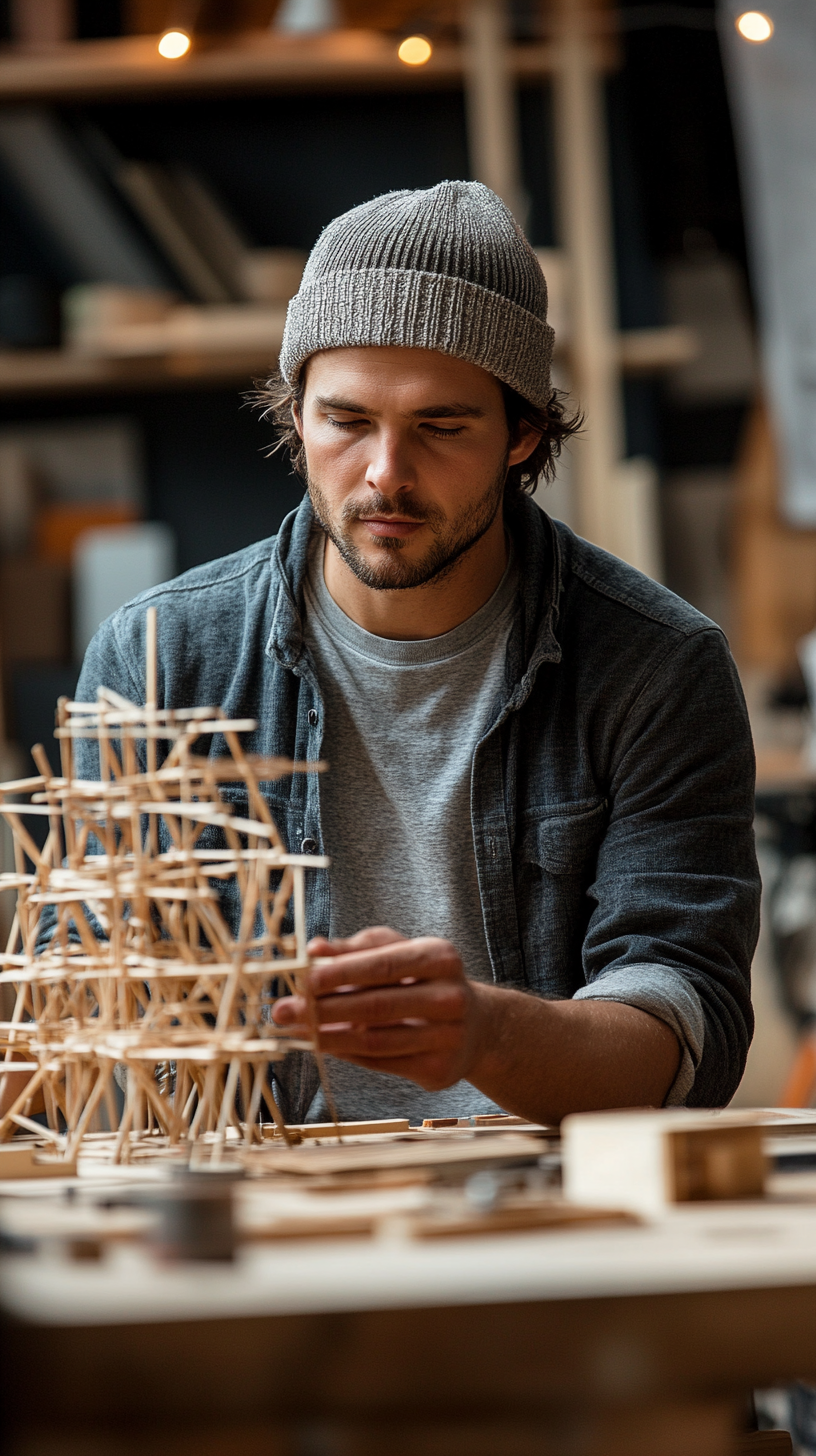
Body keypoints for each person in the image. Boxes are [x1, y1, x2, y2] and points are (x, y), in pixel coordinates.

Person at [75, 181, 759, 1126]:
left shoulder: (657, 668)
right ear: (297, 414)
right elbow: (86, 987)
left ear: (523, 434)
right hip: (260, 1217)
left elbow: (685, 1037)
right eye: (347, 421)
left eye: (441, 428)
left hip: (549, 1217)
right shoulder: (158, 656)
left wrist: (484, 1034)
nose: (385, 474)